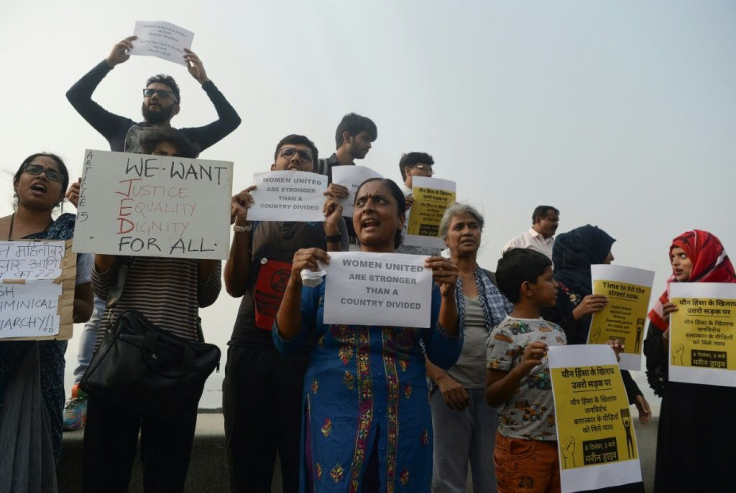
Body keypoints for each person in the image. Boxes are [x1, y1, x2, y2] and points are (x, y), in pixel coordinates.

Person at [274, 178, 462, 492]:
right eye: (361, 202)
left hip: (405, 409)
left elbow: (444, 354)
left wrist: (448, 296)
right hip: (334, 408)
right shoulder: (324, 271)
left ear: (402, 218)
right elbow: (286, 342)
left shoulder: (423, 277)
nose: (368, 208)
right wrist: (294, 282)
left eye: (380, 201)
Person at [81, 128, 222, 493]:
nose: (168, 164)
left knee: (167, 476)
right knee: (103, 473)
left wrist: (211, 227)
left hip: (176, 363)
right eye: (159, 156)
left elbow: (207, 295)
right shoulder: (121, 205)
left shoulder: (201, 219)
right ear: (141, 164)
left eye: (177, 160)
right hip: (119, 357)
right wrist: (101, 220)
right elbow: (100, 284)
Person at [223, 135, 345, 493]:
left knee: (300, 461)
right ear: (272, 166)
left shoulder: (328, 216)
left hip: (304, 350)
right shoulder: (253, 215)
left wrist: (333, 228)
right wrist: (242, 223)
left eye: (304, 157)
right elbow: (233, 286)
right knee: (246, 460)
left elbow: (340, 289)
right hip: (251, 344)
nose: (294, 160)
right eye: (286, 154)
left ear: (315, 171)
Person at [0, 153, 93, 491]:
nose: (42, 176)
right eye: (34, 169)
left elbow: (86, 306)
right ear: (17, 181)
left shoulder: (70, 235)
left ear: (60, 195)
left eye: (54, 175)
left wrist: (45, 308)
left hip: (38, 368)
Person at [425, 203, 510, 493]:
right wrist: (442, 379)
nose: (466, 231)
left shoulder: (497, 281)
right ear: (444, 239)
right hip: (448, 392)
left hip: (492, 393)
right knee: (447, 481)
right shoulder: (431, 280)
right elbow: (413, 338)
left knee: (493, 478)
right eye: (458, 227)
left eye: (472, 226)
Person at [644, 230, 736, 493]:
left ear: (706, 257)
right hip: (683, 409)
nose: (675, 262)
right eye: (673, 257)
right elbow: (650, 352)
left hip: (724, 408)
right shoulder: (668, 301)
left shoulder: (732, 299)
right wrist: (667, 334)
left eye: (683, 256)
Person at [548, 225, 651, 426]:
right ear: (587, 253)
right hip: (569, 389)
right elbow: (546, 341)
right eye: (606, 251)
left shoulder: (599, 290)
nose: (611, 257)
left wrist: (634, 392)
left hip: (601, 391)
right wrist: (576, 314)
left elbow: (608, 347)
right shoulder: (553, 288)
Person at [66, 35, 241, 153]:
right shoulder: (119, 129)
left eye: (164, 94)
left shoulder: (187, 139)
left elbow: (231, 121)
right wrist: (109, 63)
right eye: (149, 92)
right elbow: (77, 96)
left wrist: (205, 82)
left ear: (176, 109)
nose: (155, 96)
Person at [485, 248, 565, 492]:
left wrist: (606, 356)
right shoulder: (504, 334)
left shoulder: (557, 332)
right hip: (521, 446)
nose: (556, 285)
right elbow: (491, 395)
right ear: (527, 288)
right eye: (549, 279)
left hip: (561, 445)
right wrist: (521, 369)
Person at [317, 113, 378, 247]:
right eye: (365, 139)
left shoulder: (364, 178)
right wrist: (322, 194)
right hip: (318, 242)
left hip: (352, 248)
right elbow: (298, 203)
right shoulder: (317, 167)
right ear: (347, 137)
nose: (369, 145)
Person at [395, 151, 444, 256]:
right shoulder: (393, 197)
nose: (429, 174)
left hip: (433, 265)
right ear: (408, 171)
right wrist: (398, 210)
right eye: (423, 168)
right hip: (403, 263)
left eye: (430, 170)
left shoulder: (436, 200)